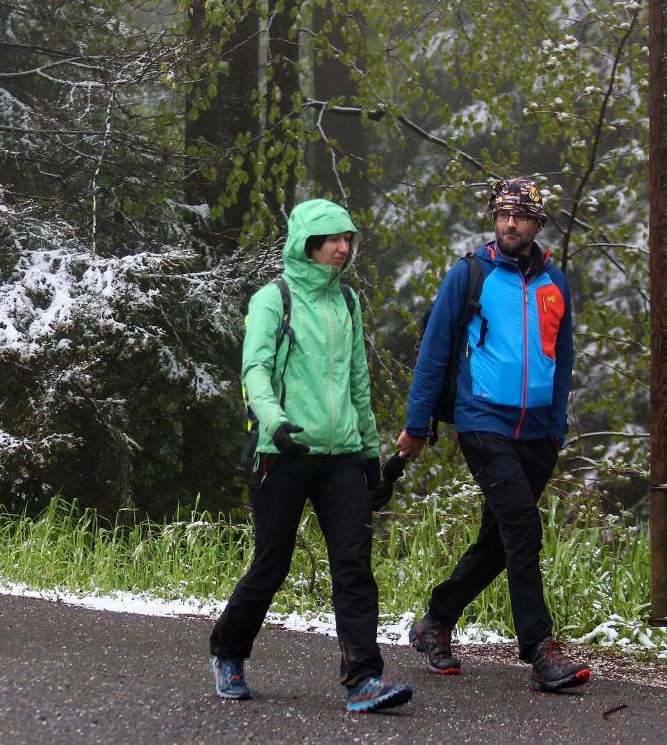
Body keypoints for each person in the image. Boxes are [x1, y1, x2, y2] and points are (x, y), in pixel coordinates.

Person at [210, 198, 412, 713]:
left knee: (354, 564)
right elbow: (253, 369)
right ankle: (229, 650)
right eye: (331, 240)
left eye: (347, 238)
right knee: (272, 562)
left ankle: (364, 679)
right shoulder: (273, 299)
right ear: (307, 244)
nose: (343, 248)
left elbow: (358, 383)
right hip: (282, 451)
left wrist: (371, 454)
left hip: (341, 455)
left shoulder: (347, 302)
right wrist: (275, 425)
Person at [395, 178, 591, 692]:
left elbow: (562, 359)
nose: (510, 224)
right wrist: (419, 425)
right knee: (523, 527)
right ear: (494, 218)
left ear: (536, 225)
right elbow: (435, 352)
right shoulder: (471, 274)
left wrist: (556, 429)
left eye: (521, 216)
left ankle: (435, 621)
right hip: (482, 421)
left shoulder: (556, 284)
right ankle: (539, 648)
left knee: (498, 541)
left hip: (538, 433)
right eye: (504, 214)